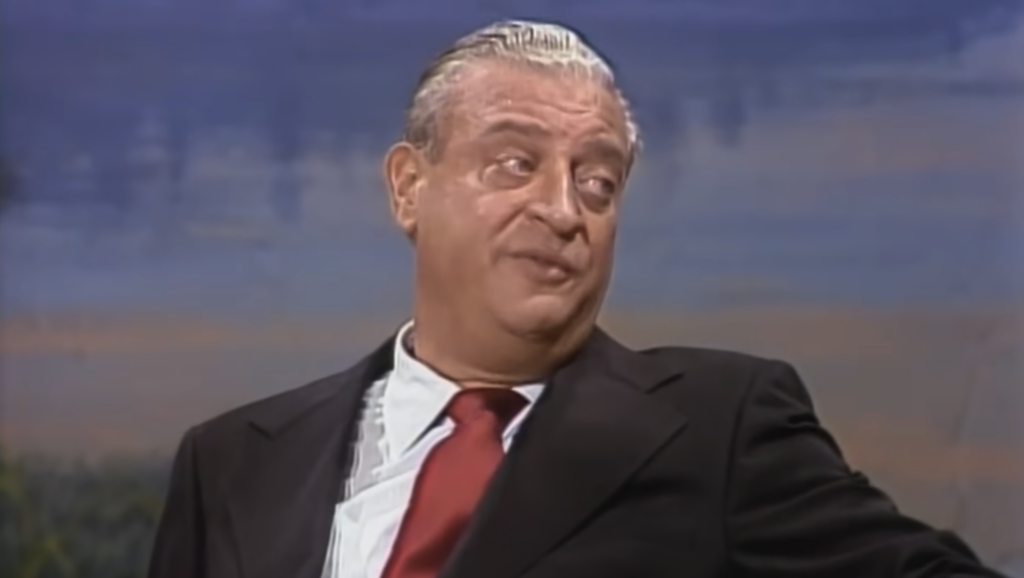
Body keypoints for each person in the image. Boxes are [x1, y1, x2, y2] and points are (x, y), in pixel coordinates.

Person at [148, 19, 1007, 578]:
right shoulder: (231, 463)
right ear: (410, 187)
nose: (564, 211)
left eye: (597, 182)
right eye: (516, 164)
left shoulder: (720, 431)